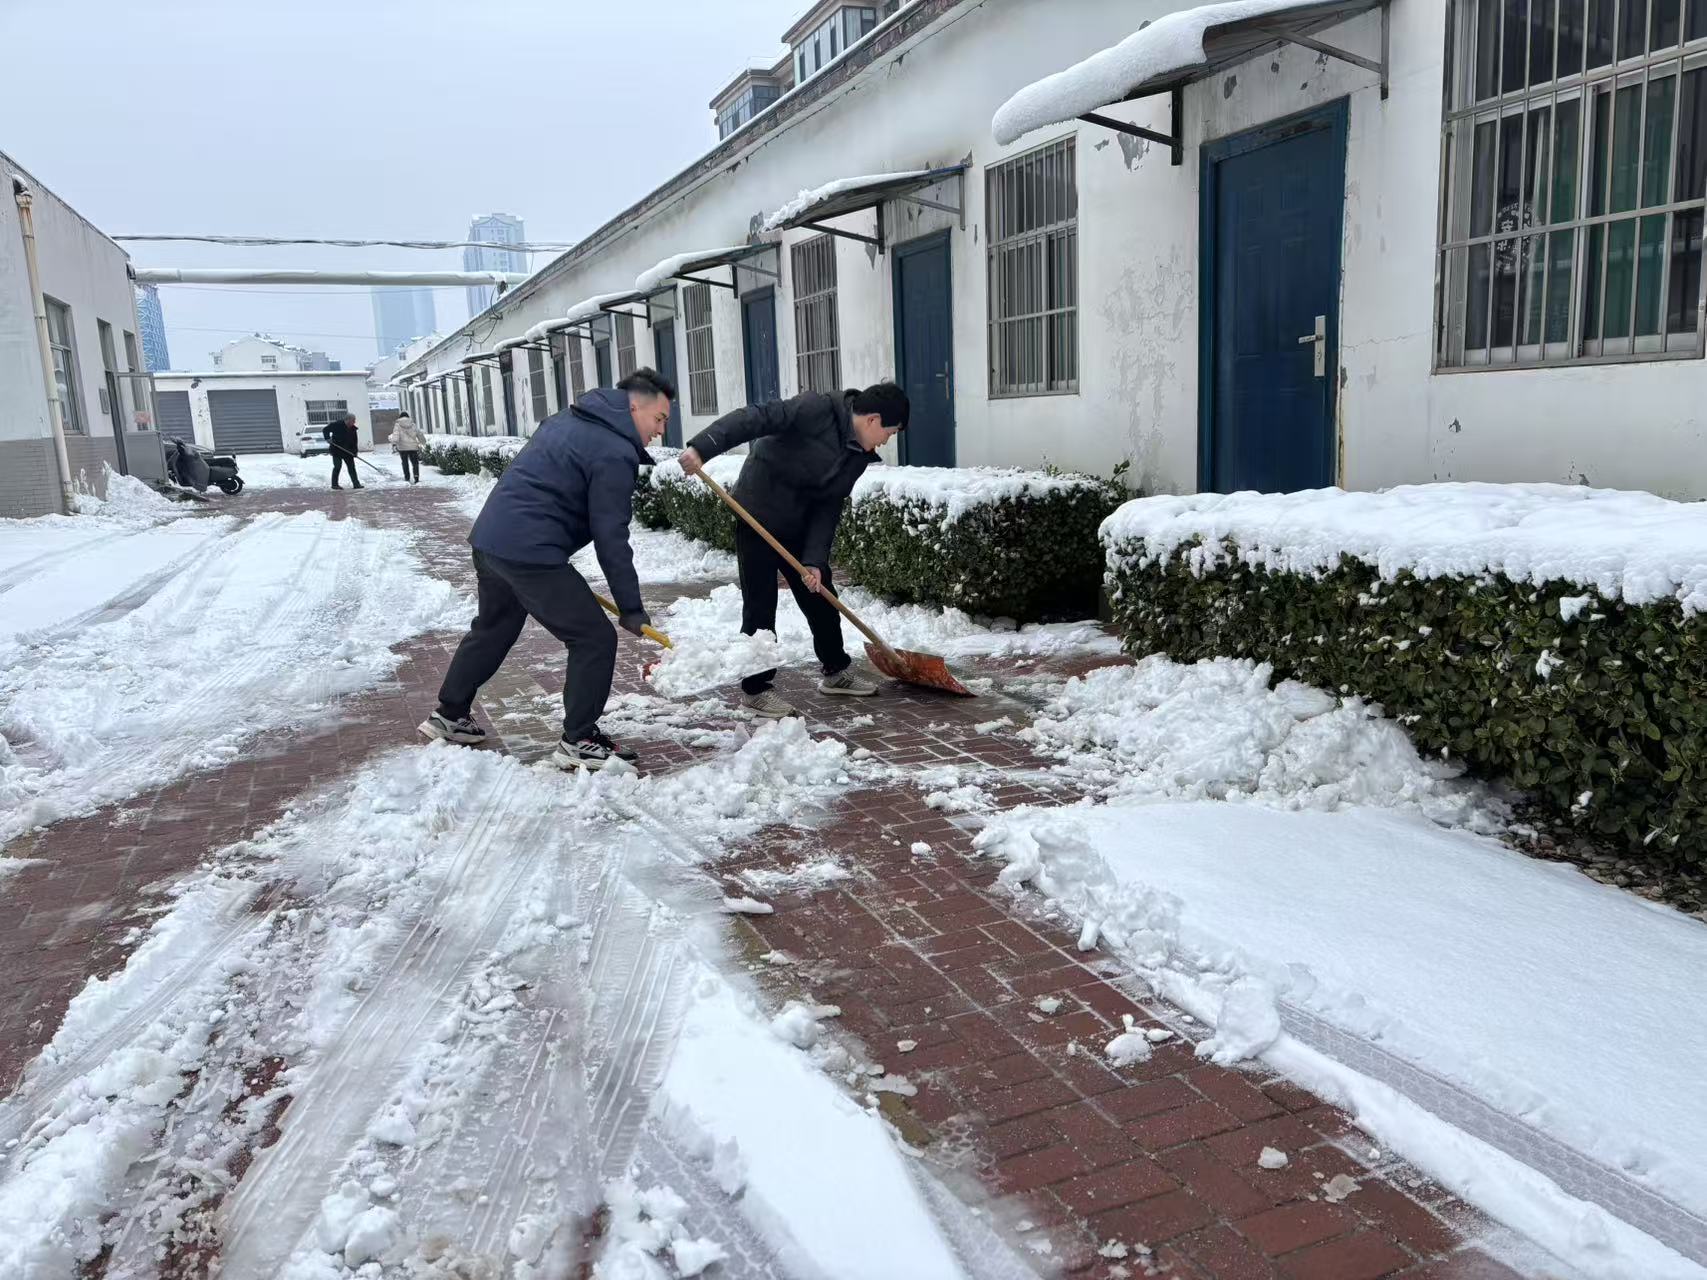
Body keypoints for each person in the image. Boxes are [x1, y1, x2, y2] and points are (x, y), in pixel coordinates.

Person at [421, 369, 675, 770]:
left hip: (491, 540)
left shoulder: (567, 420)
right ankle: (580, 739)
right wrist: (630, 607)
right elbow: (611, 536)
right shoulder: (614, 451)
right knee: (593, 638)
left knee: (493, 628)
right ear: (633, 407)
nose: (661, 431)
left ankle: (449, 714)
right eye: (659, 419)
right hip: (531, 553)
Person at [678, 382, 908, 719]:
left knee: (820, 594)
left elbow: (828, 506)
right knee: (760, 603)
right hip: (757, 512)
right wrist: (703, 447)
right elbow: (754, 418)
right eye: (890, 432)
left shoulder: (857, 455)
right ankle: (756, 690)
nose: (887, 440)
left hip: (800, 524)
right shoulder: (815, 409)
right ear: (873, 420)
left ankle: (836, 671)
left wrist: (814, 560)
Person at [324, 411, 362, 490]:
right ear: (348, 420)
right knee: (337, 466)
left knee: (351, 467)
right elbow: (325, 430)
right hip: (336, 450)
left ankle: (356, 484)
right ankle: (334, 485)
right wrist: (327, 438)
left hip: (348, 451)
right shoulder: (337, 425)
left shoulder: (353, 429)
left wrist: (355, 452)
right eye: (353, 420)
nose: (354, 422)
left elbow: (354, 442)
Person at [391, 413, 424, 483]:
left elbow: (396, 435)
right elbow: (419, 433)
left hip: (402, 447)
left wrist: (394, 443)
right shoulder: (413, 424)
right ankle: (416, 476)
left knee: (405, 462)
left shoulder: (397, 425)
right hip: (413, 447)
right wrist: (423, 441)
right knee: (415, 462)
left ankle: (407, 477)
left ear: (400, 417)